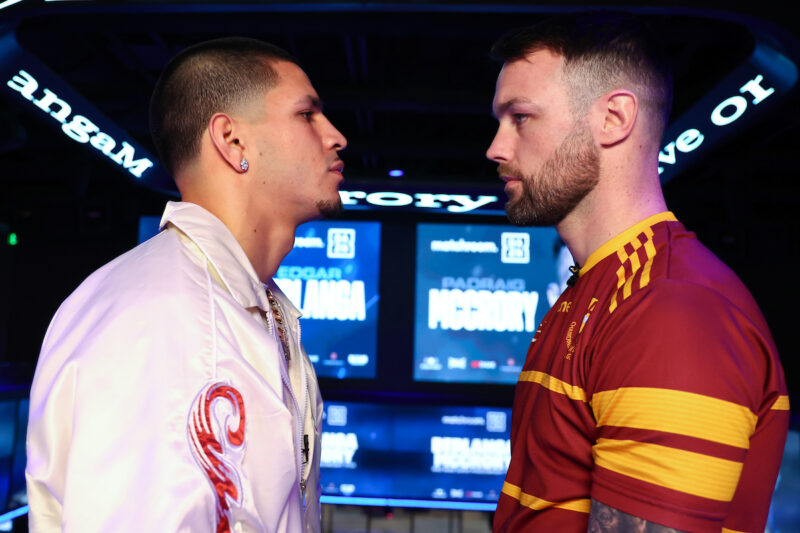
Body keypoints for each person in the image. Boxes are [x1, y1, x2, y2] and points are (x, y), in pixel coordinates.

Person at [26, 37, 347, 532]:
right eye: (308, 115)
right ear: (232, 141)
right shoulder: (171, 322)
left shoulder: (235, 304)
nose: (335, 136)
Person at [486, 12, 789, 533]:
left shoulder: (672, 308)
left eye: (520, 117)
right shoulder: (598, 288)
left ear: (614, 119)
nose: (496, 147)